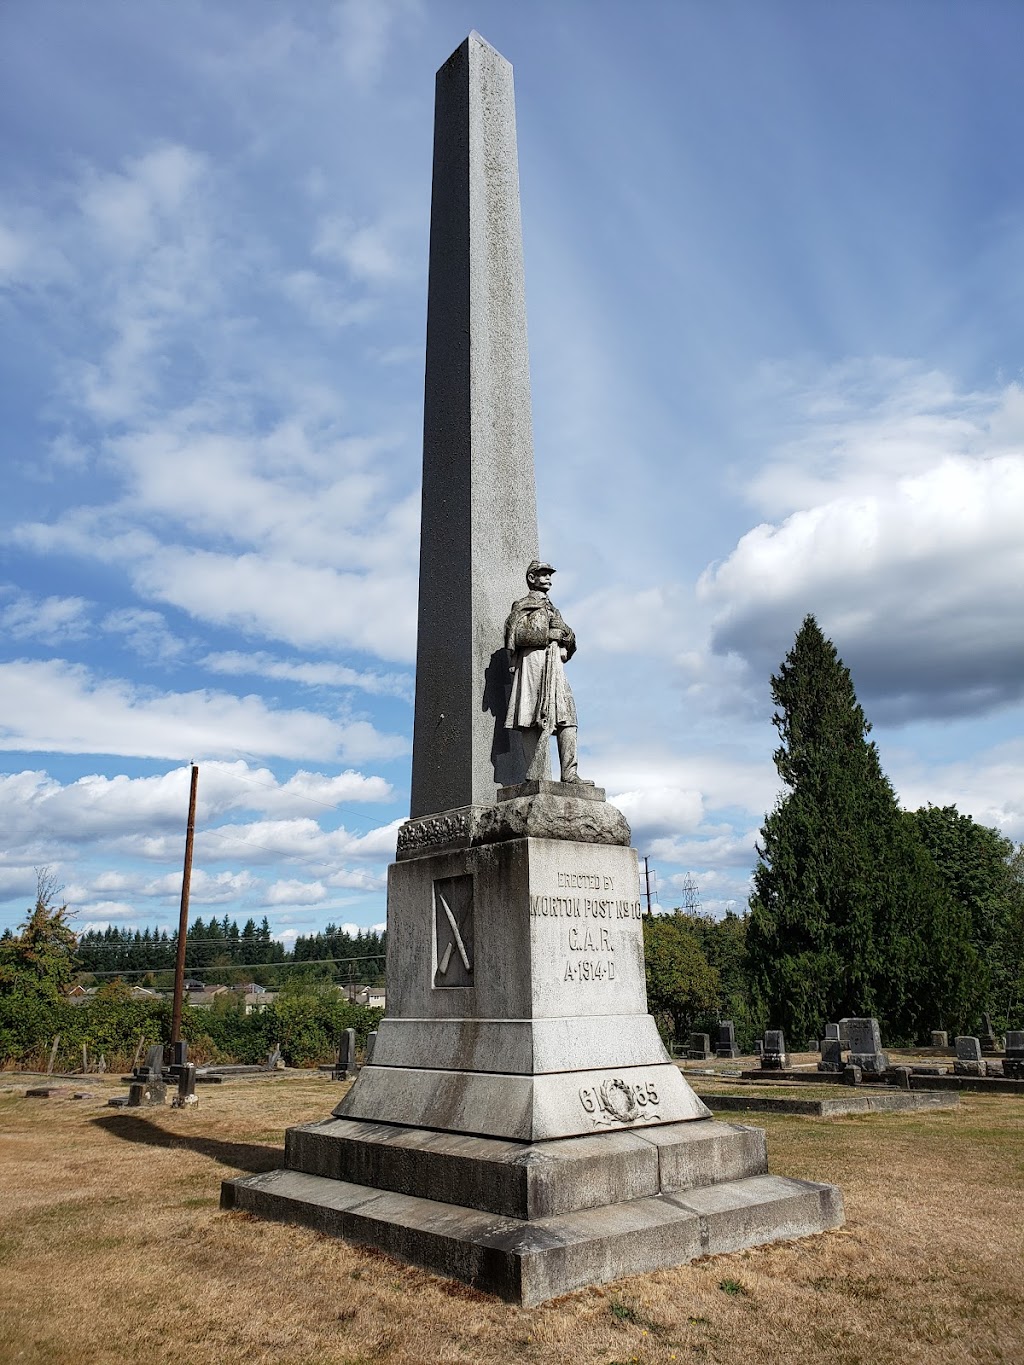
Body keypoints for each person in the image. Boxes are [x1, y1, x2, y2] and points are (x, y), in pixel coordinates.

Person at [504, 559, 591, 784]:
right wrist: (546, 636)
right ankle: (537, 775)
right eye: (543, 574)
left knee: (568, 718)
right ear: (531, 578)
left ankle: (570, 774)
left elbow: (569, 637)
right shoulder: (522, 605)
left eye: (549, 574)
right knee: (531, 716)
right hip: (533, 664)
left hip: (555, 666)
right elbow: (515, 636)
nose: (548, 578)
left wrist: (565, 637)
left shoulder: (554, 609)